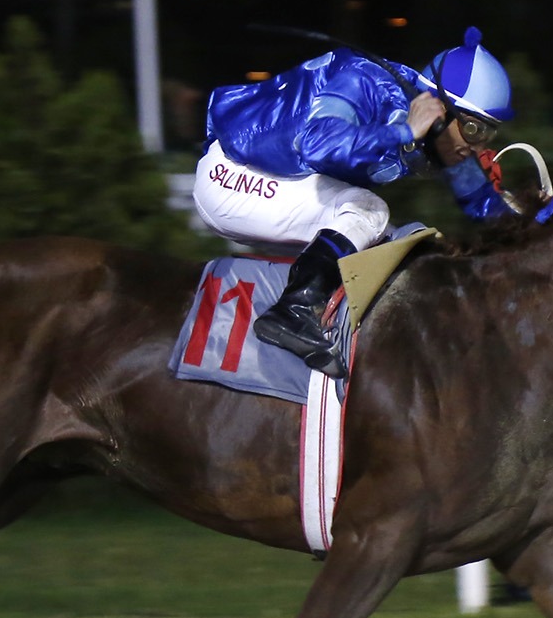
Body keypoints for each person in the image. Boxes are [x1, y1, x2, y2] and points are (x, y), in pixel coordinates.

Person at [192, 27, 518, 378]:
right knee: (369, 211)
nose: (478, 146)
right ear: (438, 109)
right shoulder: (362, 80)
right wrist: (404, 132)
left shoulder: (440, 131)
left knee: (395, 245)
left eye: (488, 133)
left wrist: (543, 215)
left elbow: (483, 204)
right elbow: (317, 145)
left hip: (273, 178)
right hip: (230, 177)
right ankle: (292, 312)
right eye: (474, 130)